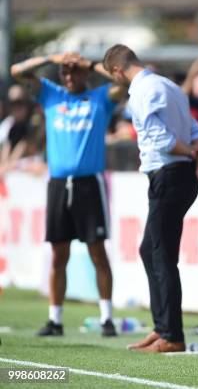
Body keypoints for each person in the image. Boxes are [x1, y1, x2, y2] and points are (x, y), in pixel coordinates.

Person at [102, 44, 198, 353]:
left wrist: (190, 153)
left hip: (169, 173)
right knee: (150, 249)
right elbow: (194, 127)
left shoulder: (142, 91)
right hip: (179, 173)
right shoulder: (169, 86)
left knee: (161, 254)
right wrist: (197, 155)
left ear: (118, 71)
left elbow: (160, 138)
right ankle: (162, 327)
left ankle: (172, 336)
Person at [11, 52, 127, 337]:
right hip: (59, 185)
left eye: (74, 72)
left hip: (90, 184)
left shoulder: (100, 97)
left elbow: (124, 82)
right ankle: (55, 319)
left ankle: (107, 318)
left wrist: (89, 64)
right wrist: (52, 57)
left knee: (97, 251)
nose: (69, 76)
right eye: (65, 72)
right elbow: (17, 71)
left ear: (85, 73)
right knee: (58, 252)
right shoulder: (52, 96)